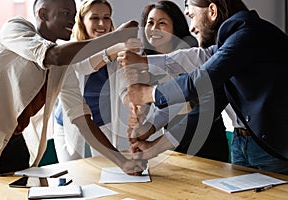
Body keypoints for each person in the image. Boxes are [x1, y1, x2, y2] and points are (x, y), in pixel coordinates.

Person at [122, 0, 288, 175]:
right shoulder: (232, 45)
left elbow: (198, 78)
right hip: (242, 145)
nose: (192, 28)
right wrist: (151, 147)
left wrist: (146, 93)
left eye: (192, 16)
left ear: (212, 11)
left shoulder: (247, 33)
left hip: (273, 149)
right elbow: (203, 109)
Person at [0, 0, 147, 175]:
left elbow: (81, 117)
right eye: (65, 13)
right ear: (43, 14)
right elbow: (54, 55)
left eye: (73, 14)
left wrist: (123, 163)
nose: (72, 20)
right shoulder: (15, 28)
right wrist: (116, 38)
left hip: (13, 141)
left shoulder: (63, 63)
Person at [120, 0, 229, 162]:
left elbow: (182, 101)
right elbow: (133, 96)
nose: (154, 28)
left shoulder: (189, 55)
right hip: (172, 137)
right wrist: (140, 118)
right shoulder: (146, 62)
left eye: (162, 23)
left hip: (204, 136)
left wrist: (149, 127)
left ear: (175, 28)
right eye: (150, 23)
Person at [53, 0, 142, 162]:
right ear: (82, 21)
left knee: (105, 169)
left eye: (106, 17)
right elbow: (84, 66)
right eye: (94, 18)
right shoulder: (69, 47)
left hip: (103, 120)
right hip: (70, 121)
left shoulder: (117, 54)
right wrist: (117, 47)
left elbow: (123, 89)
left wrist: (132, 105)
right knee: (70, 172)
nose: (102, 24)